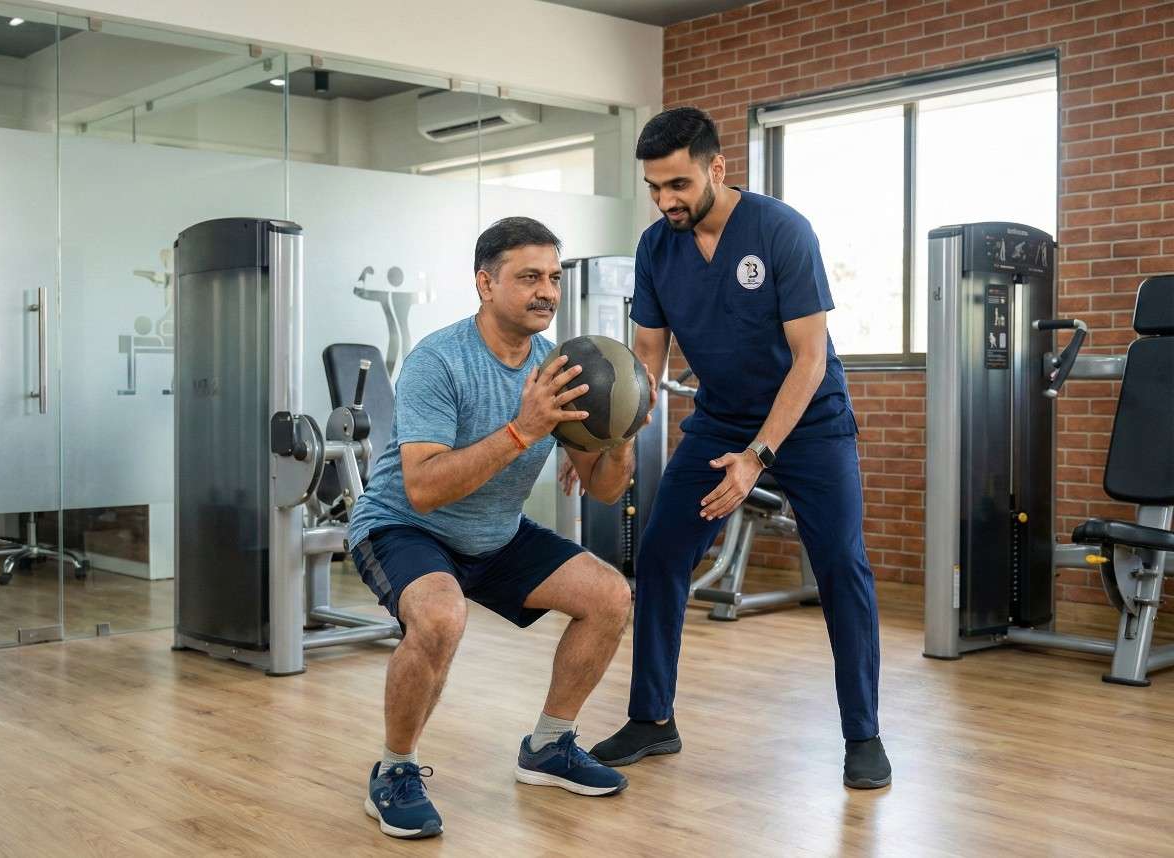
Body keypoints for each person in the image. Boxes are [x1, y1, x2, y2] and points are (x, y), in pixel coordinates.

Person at [585, 107, 891, 789]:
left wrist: (758, 456)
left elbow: (810, 360)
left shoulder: (781, 230)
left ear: (716, 169)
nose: (666, 201)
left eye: (678, 185)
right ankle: (653, 718)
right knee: (661, 554)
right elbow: (645, 361)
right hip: (720, 421)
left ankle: (863, 734)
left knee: (842, 565)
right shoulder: (656, 247)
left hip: (811, 423)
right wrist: (619, 442)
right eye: (654, 187)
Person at [347, 216, 656, 839]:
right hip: (406, 526)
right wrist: (526, 428)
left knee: (610, 596)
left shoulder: (562, 367)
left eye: (553, 278)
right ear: (485, 284)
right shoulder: (439, 360)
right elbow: (424, 487)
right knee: (439, 617)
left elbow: (602, 489)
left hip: (495, 532)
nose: (547, 291)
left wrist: (620, 441)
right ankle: (396, 769)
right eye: (529, 278)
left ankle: (549, 745)